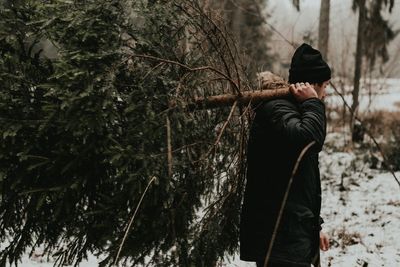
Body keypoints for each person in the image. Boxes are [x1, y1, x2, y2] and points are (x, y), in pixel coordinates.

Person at [240, 43, 331, 267]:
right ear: (313, 85)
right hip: (278, 239)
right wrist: (312, 102)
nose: (325, 92)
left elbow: (300, 182)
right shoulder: (277, 110)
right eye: (325, 86)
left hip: (291, 236)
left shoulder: (292, 114)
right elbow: (310, 140)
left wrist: (314, 228)